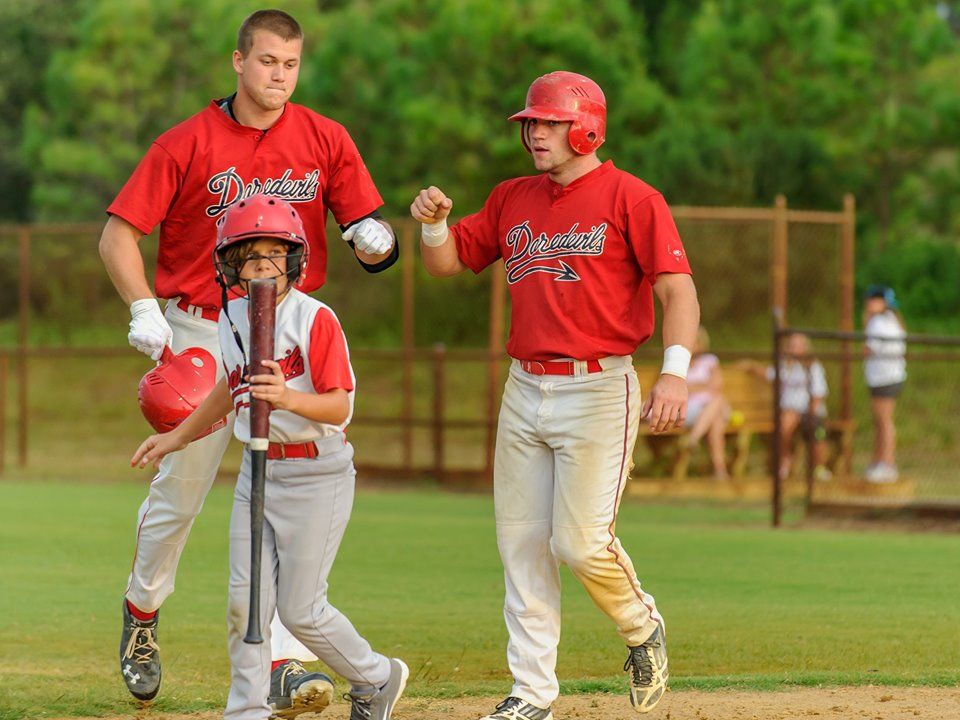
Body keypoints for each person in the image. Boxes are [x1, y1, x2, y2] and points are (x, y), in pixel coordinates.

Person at [99, 9, 397, 711]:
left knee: (281, 487)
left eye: (290, 65)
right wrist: (144, 307)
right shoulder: (188, 141)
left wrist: (374, 238)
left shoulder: (325, 137)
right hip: (205, 327)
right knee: (182, 492)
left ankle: (280, 665)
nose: (279, 76)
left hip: (290, 325)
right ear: (238, 62)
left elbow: (363, 224)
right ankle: (142, 614)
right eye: (266, 62)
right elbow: (118, 236)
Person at [410, 71, 699, 718]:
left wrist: (675, 373)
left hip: (599, 388)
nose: (534, 133)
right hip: (525, 387)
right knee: (521, 544)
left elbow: (677, 289)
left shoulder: (633, 197)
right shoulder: (514, 197)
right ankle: (532, 694)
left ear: (587, 127)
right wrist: (434, 225)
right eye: (530, 124)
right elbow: (449, 263)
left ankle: (639, 625)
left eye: (548, 122)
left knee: (580, 542)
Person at [131, 195, 408, 720]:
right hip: (259, 470)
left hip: (317, 470)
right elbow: (228, 386)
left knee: (301, 610)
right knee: (247, 603)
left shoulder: (314, 319)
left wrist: (286, 398)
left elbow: (339, 405)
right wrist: (179, 437)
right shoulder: (233, 315)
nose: (261, 263)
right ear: (228, 263)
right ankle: (247, 710)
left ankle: (376, 676)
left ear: (294, 259)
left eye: (273, 252)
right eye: (248, 253)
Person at [742, 332, 832, 482]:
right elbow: (767, 374)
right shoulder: (784, 366)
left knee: (818, 432)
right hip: (789, 411)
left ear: (805, 348)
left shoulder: (813, 366)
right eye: (791, 345)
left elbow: (818, 395)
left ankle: (819, 467)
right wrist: (751, 366)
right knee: (785, 422)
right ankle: (785, 461)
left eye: (797, 346)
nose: (793, 349)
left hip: (811, 412)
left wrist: (810, 415)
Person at [862, 285, 907, 483]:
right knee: (882, 421)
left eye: (872, 300)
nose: (868, 303)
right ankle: (880, 461)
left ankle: (887, 463)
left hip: (883, 377)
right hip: (891, 376)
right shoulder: (893, 321)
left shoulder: (877, 322)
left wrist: (866, 323)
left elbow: (868, 349)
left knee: (884, 422)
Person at [682, 327, 730, 480]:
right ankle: (720, 471)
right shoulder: (677, 363)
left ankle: (693, 440)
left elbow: (717, 385)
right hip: (686, 410)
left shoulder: (710, 361)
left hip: (707, 409)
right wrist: (704, 385)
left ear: (701, 344)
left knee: (716, 409)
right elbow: (676, 388)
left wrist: (692, 387)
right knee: (717, 408)